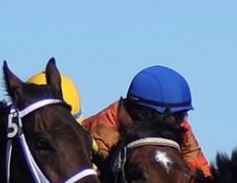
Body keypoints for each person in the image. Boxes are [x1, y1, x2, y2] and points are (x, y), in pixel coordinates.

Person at [81, 66, 212, 176]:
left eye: (182, 115)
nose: (181, 123)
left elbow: (201, 173)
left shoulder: (178, 124)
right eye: (175, 117)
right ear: (145, 114)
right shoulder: (102, 135)